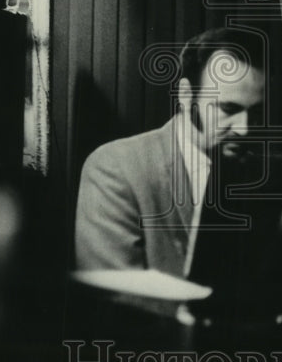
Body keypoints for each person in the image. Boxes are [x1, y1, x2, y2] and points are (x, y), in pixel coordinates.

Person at [74, 27, 266, 278]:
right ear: (186, 95)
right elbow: (113, 292)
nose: (244, 129)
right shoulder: (116, 167)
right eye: (229, 109)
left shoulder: (260, 173)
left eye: (257, 113)